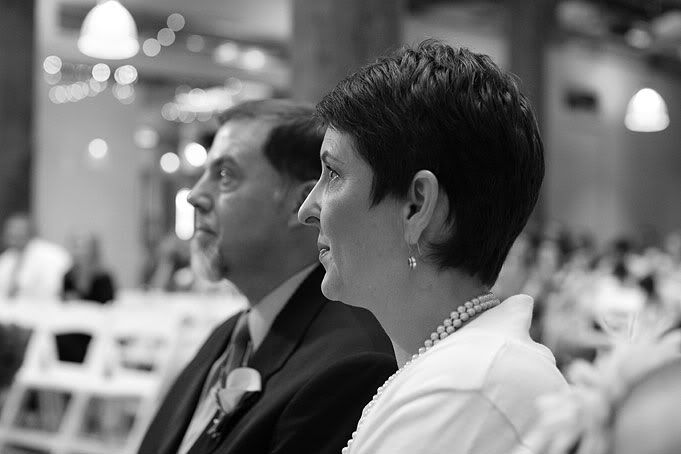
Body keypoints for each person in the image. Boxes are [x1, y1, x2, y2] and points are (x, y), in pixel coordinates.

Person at [298, 40, 567, 453]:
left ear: (416, 206)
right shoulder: (458, 371)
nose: (307, 209)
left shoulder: (466, 388)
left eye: (333, 174)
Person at [138, 99, 397, 454]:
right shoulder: (229, 334)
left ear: (300, 203)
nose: (195, 196)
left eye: (225, 176)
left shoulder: (348, 364)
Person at [0, 213, 71, 300]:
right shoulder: (6, 258)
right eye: (9, 231)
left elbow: (55, 288)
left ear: (30, 232)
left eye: (18, 231)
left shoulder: (51, 255)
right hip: (11, 306)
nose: (13, 233)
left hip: (44, 305)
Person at [62, 232, 116, 304]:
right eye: (77, 247)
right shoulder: (68, 276)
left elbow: (108, 302)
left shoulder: (103, 277)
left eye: (84, 247)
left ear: (94, 250)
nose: (80, 252)